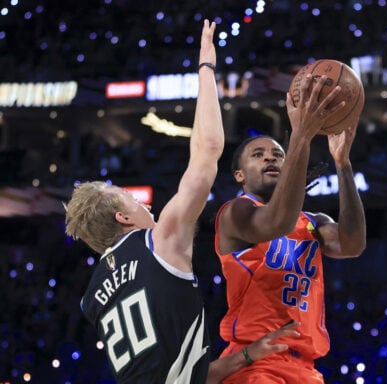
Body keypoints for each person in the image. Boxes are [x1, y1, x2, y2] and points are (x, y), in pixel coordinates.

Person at [64, 20, 301, 384]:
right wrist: (206, 69)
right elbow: (207, 151)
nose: (149, 208)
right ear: (123, 218)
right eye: (134, 201)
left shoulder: (93, 297)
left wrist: (249, 355)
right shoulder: (156, 243)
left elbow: (185, 375)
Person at [214, 74, 367, 383]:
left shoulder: (313, 222)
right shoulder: (236, 212)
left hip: (306, 369)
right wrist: (301, 136)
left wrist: (343, 165)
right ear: (240, 175)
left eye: (278, 154)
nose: (270, 156)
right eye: (258, 155)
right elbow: (276, 222)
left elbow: (353, 245)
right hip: (255, 363)